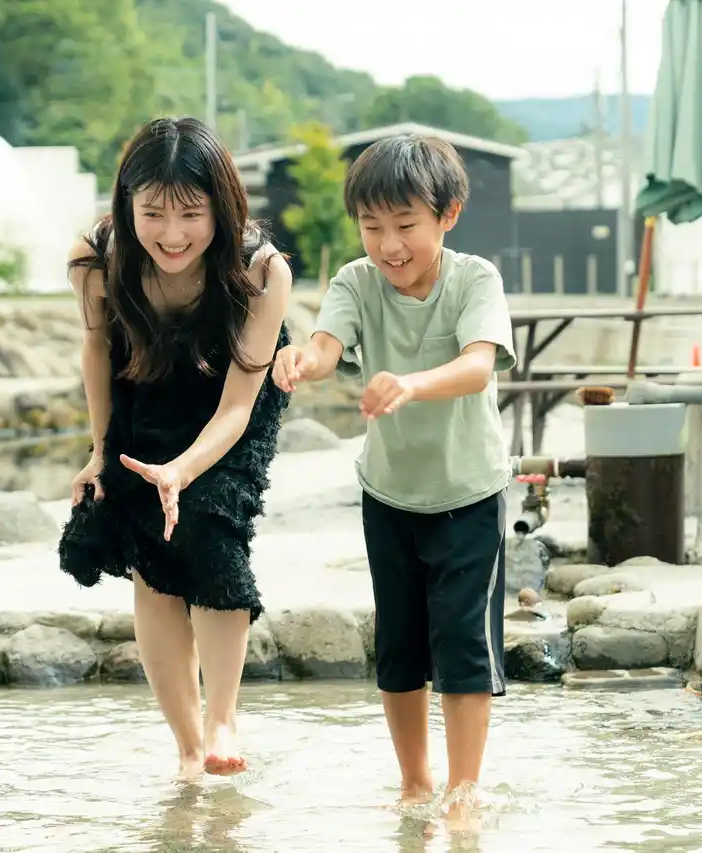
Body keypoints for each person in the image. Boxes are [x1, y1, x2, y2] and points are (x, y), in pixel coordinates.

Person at [271, 134, 516, 810]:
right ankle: (414, 784)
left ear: (448, 215)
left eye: (405, 225)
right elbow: (327, 346)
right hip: (389, 495)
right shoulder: (355, 281)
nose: (389, 245)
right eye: (372, 226)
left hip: (469, 493)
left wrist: (409, 383)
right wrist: (302, 361)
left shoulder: (475, 280)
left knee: (464, 643)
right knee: (399, 645)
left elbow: (478, 366)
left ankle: (464, 791)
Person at [58, 116, 292, 780]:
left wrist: (183, 471)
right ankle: (189, 749)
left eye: (191, 214)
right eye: (153, 213)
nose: (171, 234)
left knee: (210, 523)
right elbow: (97, 348)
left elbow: (238, 405)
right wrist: (101, 450)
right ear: (126, 204)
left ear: (222, 206)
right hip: (144, 381)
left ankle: (223, 719)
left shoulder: (261, 270)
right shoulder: (96, 258)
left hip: (232, 392)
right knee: (151, 553)